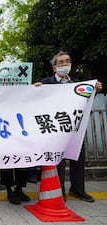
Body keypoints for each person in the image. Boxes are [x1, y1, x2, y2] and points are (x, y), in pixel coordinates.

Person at [35, 51, 103, 203]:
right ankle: (59, 191)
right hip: (56, 128)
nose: (65, 64)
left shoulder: (78, 83)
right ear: (54, 67)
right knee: (57, 160)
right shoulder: (46, 83)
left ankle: (78, 189)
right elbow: (36, 102)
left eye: (67, 61)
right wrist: (35, 90)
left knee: (78, 159)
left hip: (75, 127)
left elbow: (85, 100)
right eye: (61, 62)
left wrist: (95, 90)